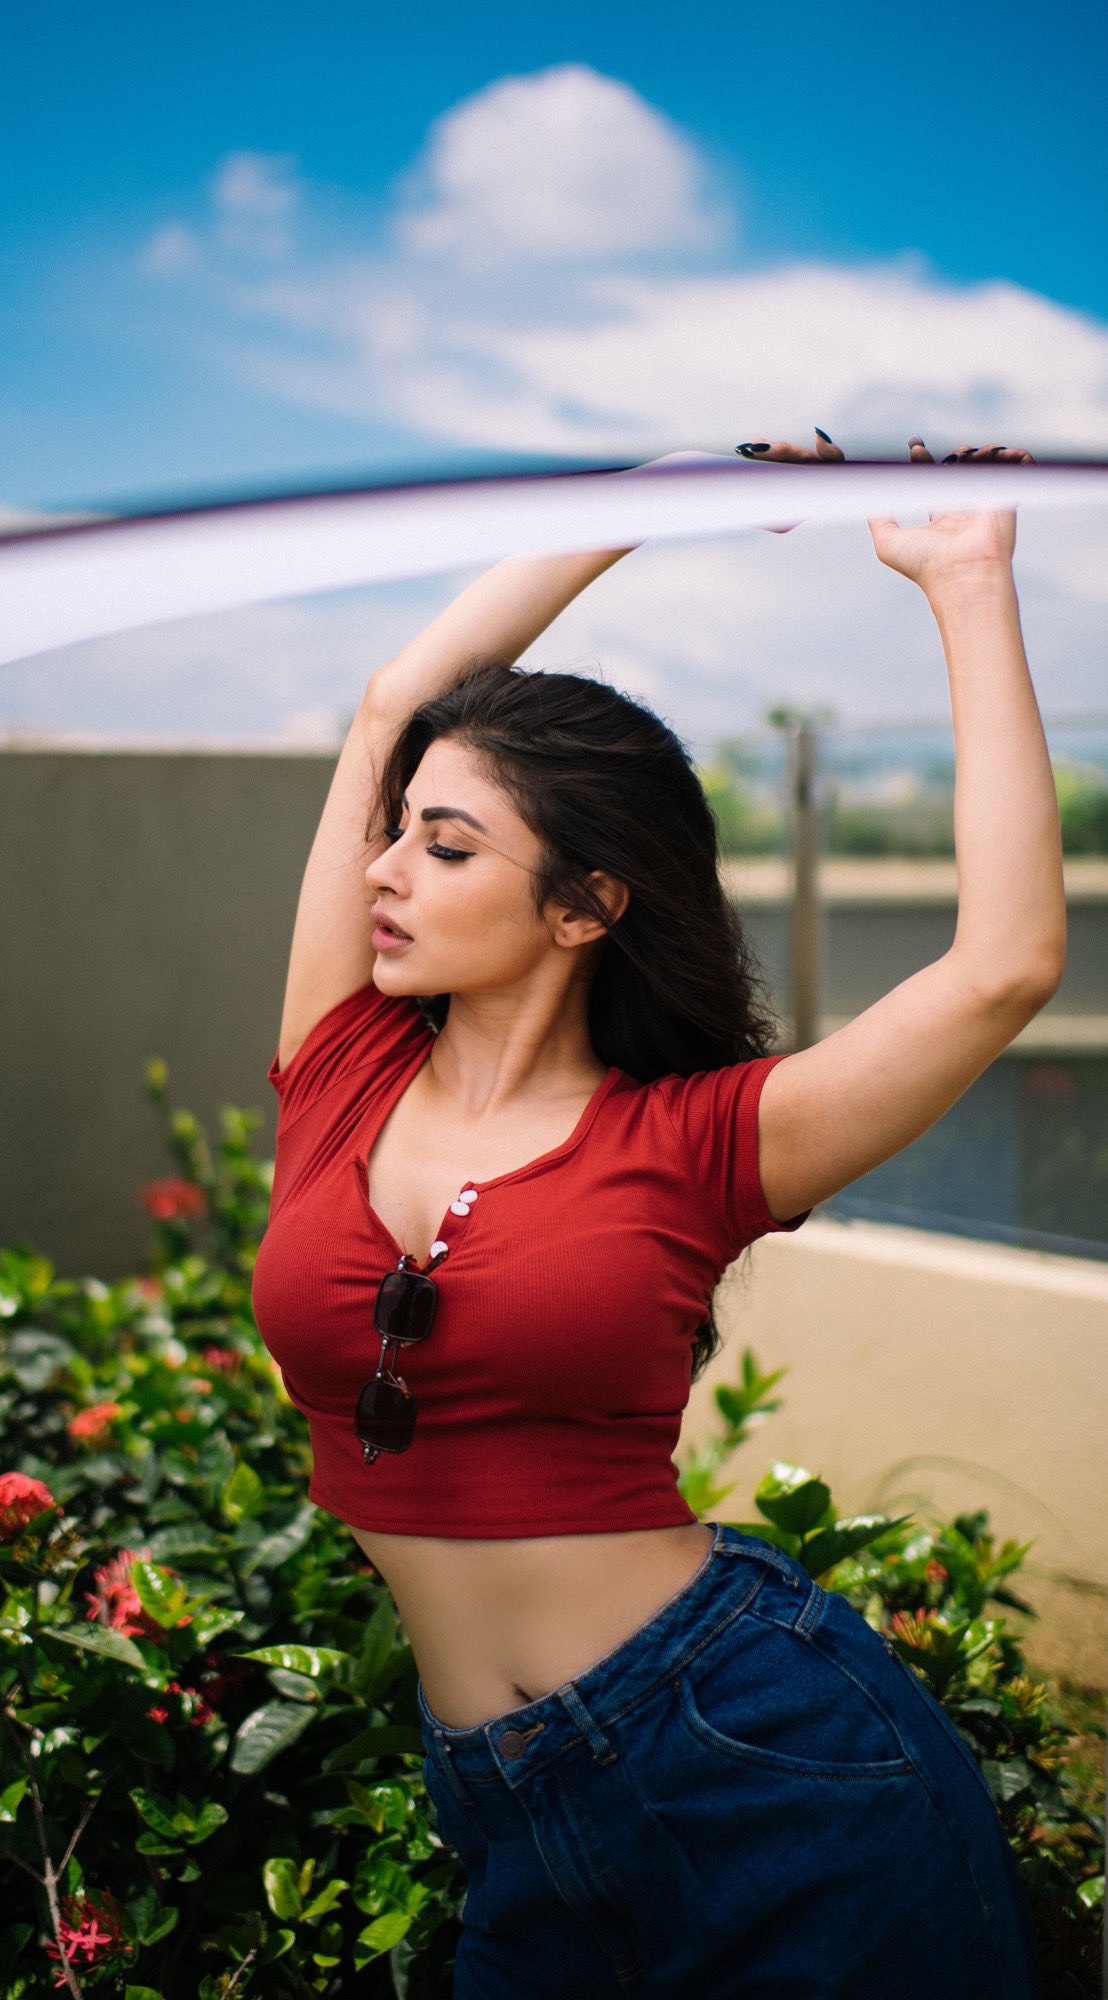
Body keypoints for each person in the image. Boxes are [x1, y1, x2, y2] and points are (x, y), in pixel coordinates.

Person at [249, 429, 1060, 1996]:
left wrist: (966, 581)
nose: (385, 870)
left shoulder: (700, 1142)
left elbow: (1005, 963)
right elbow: (381, 712)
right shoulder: (337, 1066)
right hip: (503, 1804)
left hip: (760, 1763)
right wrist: (635, 514)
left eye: (449, 841)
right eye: (399, 829)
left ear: (584, 904)